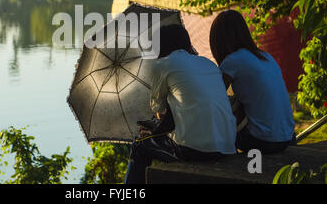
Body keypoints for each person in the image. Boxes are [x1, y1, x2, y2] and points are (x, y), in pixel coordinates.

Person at [124, 24, 237, 184]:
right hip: (227, 145)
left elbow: (158, 110)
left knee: (141, 146)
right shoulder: (208, 63)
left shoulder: (162, 65)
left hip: (196, 150)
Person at [209, 10, 296, 154]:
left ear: (218, 40)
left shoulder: (232, 61)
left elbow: (212, 97)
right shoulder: (266, 56)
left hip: (262, 142)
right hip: (288, 138)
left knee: (221, 106)